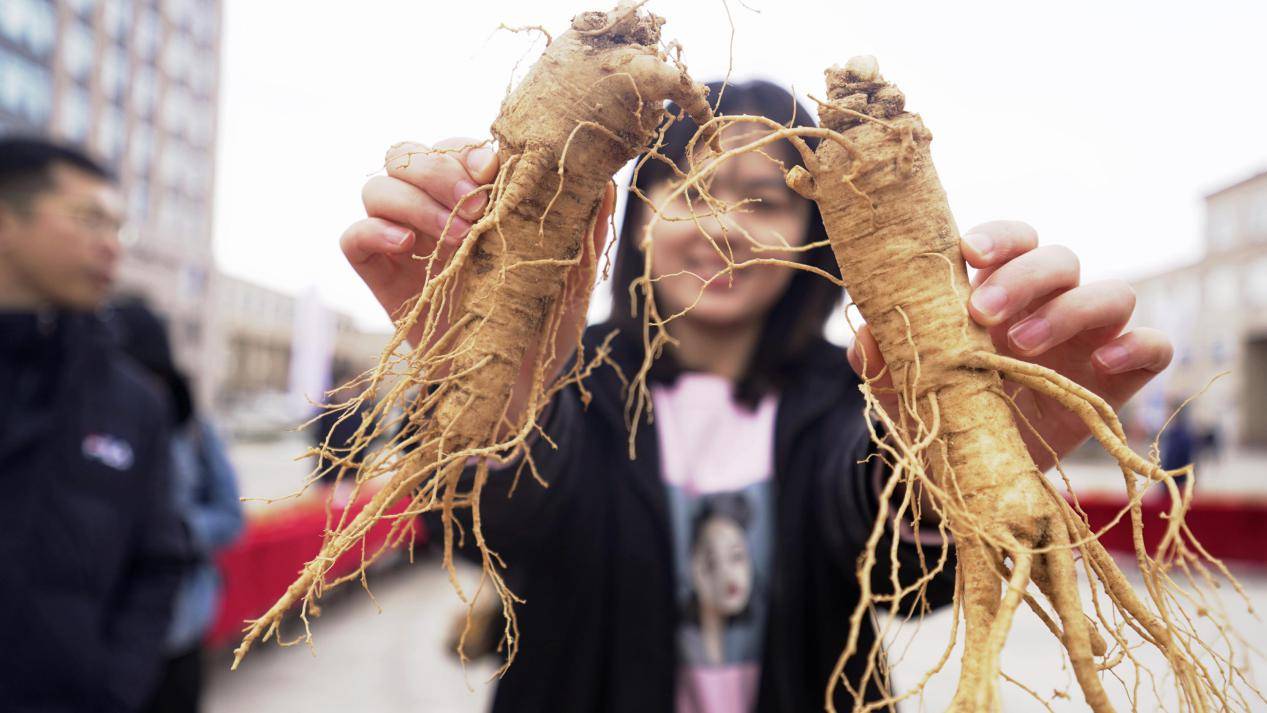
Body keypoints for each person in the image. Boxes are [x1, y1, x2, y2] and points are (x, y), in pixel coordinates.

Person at [339, 82, 1174, 712]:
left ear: (814, 237)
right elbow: (483, 524)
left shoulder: (855, 386)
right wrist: (496, 392)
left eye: (765, 200)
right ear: (636, 218)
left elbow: (901, 576)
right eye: (691, 189)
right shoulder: (571, 377)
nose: (725, 224)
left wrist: (953, 455)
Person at [0, 137, 189, 712]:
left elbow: (159, 562)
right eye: (88, 219)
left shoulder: (131, 400)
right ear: (7, 221)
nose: (110, 246)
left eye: (118, 227)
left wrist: (111, 689)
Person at [106, 297, 245, 713]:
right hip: (98, 630)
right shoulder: (83, 422)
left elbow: (230, 517)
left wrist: (176, 530)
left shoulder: (195, 432)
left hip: (178, 632)